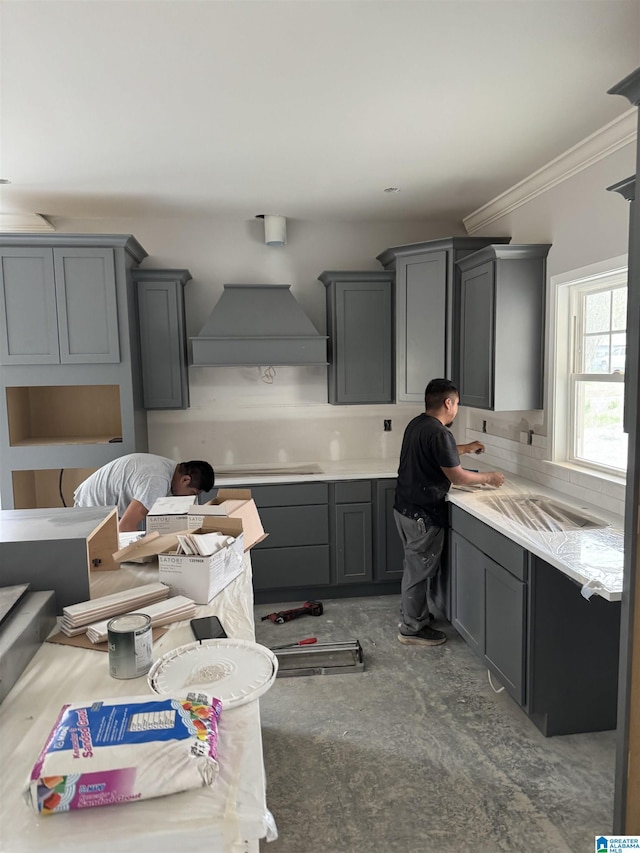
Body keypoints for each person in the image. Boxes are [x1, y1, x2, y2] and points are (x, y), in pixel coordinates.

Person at [394, 378, 505, 647]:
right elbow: (458, 477)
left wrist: (465, 448)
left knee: (414, 566)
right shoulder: (439, 433)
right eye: (456, 404)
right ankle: (412, 628)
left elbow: (438, 453)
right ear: (448, 403)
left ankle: (414, 614)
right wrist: (489, 477)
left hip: (405, 509)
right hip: (423, 515)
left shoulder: (419, 424)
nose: (457, 409)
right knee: (418, 570)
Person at [73, 453, 215, 532]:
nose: (188, 498)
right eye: (191, 493)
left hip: (104, 509)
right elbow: (125, 527)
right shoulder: (157, 481)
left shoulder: (171, 469)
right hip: (91, 511)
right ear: (185, 480)